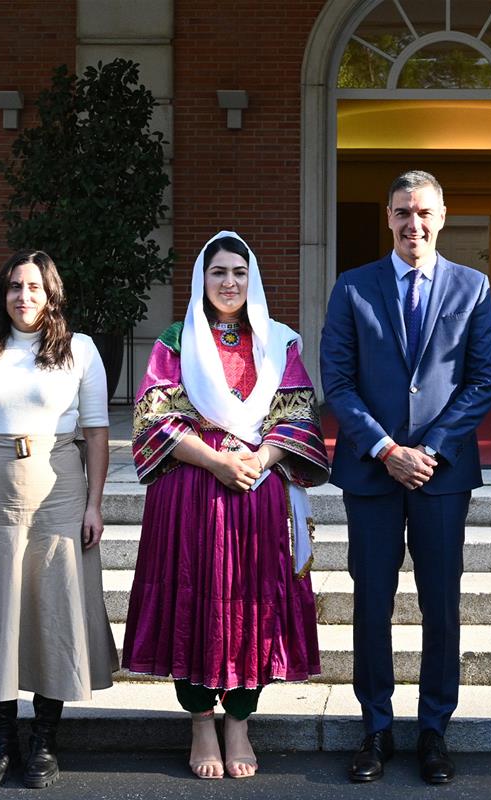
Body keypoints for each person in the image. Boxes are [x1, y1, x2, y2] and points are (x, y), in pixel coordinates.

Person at [121, 231, 329, 780]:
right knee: (194, 596)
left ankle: (239, 719)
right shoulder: (176, 340)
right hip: (192, 490)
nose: (229, 282)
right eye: (218, 272)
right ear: (201, 279)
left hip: (258, 492)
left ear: (252, 278)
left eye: (239, 272)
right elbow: (154, 419)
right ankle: (199, 722)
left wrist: (260, 459)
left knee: (251, 600)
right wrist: (216, 462)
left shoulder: (277, 342)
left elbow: (299, 415)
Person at [320, 170, 491, 785]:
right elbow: (337, 382)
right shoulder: (353, 287)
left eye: (423, 212)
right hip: (373, 473)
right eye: (402, 212)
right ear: (388, 217)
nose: (412, 223)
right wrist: (386, 448)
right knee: (372, 602)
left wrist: (430, 449)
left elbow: (482, 379)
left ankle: (433, 730)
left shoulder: (472, 287)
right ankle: (375, 726)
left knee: (440, 604)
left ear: (442, 216)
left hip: (441, 475)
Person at [0, 250, 117, 790]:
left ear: (50, 292)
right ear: (3, 293)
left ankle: (44, 740)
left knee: (52, 609)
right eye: (15, 286)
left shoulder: (79, 350)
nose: (24, 296)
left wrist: (95, 503)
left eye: (35, 287)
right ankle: (0, 738)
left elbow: (98, 432)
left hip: (56, 489)